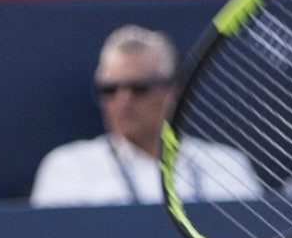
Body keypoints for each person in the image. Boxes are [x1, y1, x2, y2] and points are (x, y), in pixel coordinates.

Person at [29, 25, 261, 205]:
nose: (123, 101)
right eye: (110, 89)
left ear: (172, 92)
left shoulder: (228, 166)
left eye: (139, 89)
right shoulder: (67, 168)